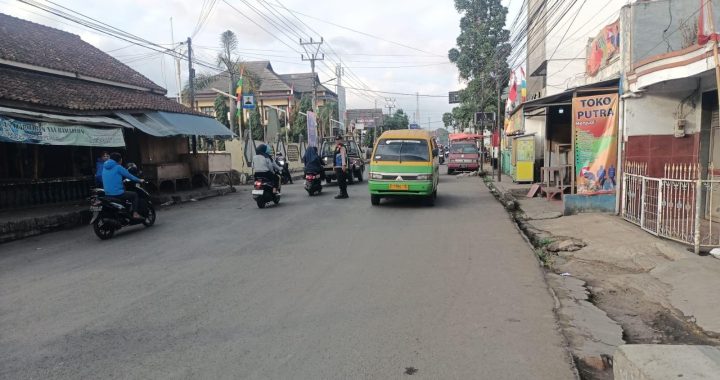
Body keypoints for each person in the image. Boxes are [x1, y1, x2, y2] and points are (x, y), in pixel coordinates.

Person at [102, 152, 143, 219]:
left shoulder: (104, 167)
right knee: (134, 195)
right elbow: (130, 176)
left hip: (107, 193)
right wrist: (140, 180)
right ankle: (135, 213)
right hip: (117, 193)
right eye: (121, 159)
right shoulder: (118, 167)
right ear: (119, 159)